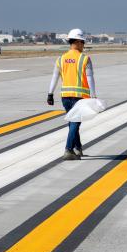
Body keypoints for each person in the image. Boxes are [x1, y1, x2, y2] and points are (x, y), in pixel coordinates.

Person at [47, 28, 97, 160]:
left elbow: (54, 77)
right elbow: (90, 78)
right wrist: (93, 95)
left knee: (72, 122)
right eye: (83, 42)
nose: (84, 45)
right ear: (79, 42)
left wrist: (50, 94)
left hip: (65, 97)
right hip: (79, 97)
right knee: (75, 122)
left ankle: (78, 148)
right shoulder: (85, 59)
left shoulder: (61, 59)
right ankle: (68, 150)